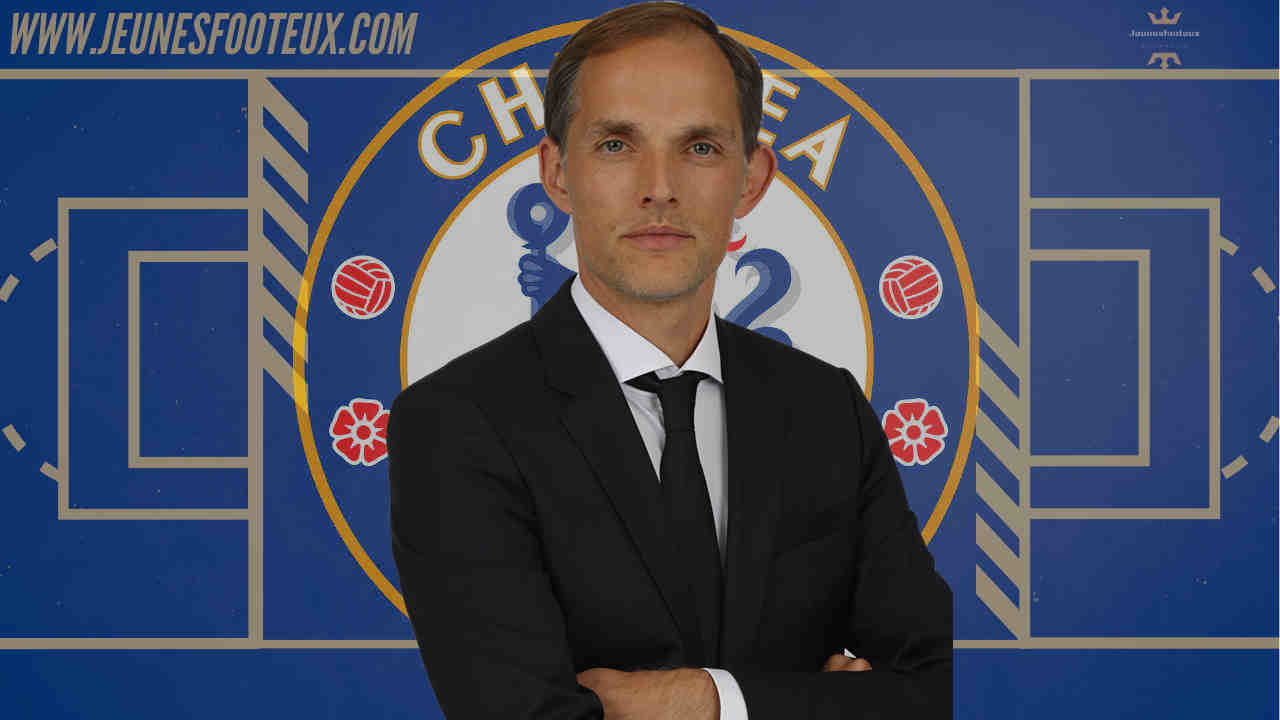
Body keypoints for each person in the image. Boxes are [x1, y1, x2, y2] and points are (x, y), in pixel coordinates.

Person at [388, 2, 953, 717]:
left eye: (701, 147)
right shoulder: (457, 422)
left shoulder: (826, 409)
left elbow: (940, 687)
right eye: (616, 145)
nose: (659, 186)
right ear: (557, 173)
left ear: (752, 177)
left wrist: (708, 699)